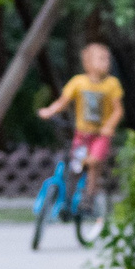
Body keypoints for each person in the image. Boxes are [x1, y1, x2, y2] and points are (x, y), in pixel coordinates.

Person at [34, 42, 125, 197]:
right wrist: (49, 111)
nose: (106, 63)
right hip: (83, 134)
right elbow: (63, 102)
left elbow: (118, 110)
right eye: (101, 59)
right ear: (87, 63)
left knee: (94, 163)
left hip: (100, 135)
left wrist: (109, 126)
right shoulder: (78, 82)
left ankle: (89, 197)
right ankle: (69, 197)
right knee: (76, 165)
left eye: (107, 59)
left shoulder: (112, 84)